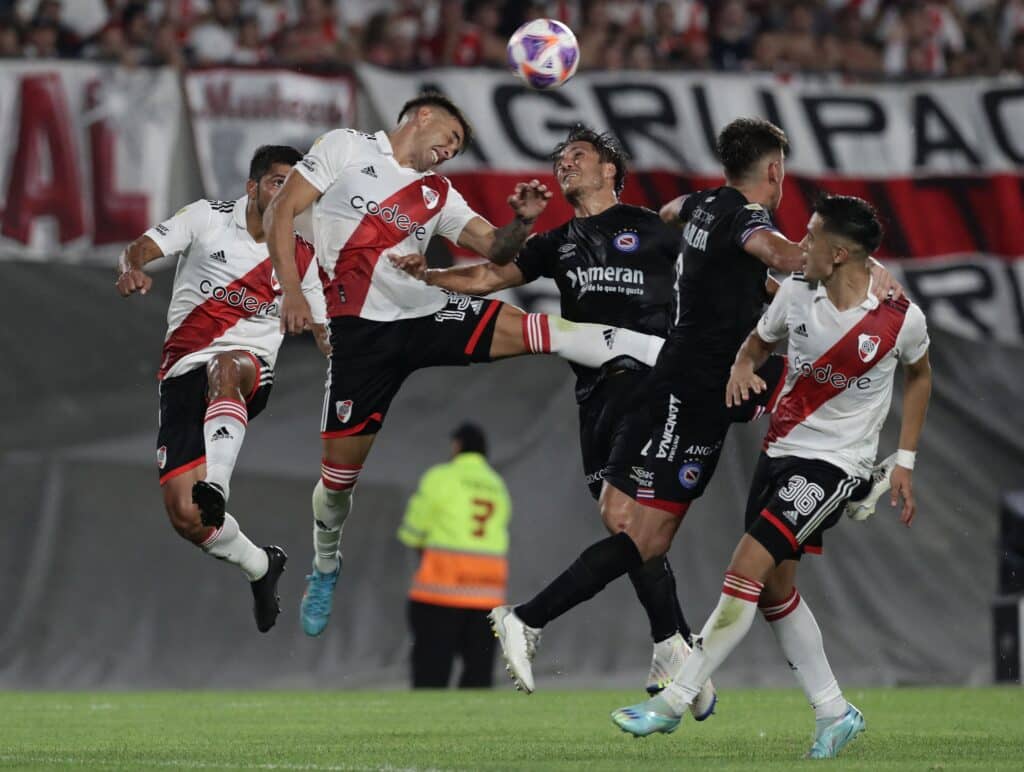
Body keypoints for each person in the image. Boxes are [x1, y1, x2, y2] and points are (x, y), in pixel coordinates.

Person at [488, 118, 902, 695]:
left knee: (819, 385)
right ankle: (530, 618)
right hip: (697, 388)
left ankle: (852, 485)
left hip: (707, 373)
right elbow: (782, 256)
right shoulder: (744, 216)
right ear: (775, 171)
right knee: (639, 538)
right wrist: (858, 261)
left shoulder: (701, 205)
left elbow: (673, 212)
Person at [389, 124, 779, 710]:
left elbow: (735, 269)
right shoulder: (558, 243)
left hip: (654, 381)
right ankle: (670, 642)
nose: (565, 163)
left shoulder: (656, 228)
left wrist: (785, 308)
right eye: (560, 158)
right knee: (624, 522)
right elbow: (490, 277)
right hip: (593, 394)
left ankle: (532, 619)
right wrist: (431, 277)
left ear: (609, 172)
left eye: (579, 155)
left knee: (631, 519)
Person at [262, 92, 666, 637]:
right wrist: (293, 294)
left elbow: (498, 251)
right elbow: (281, 209)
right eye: (449, 138)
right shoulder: (344, 149)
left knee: (541, 333)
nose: (449, 152)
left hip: (426, 313)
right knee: (337, 485)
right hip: (362, 339)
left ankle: (666, 353)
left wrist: (521, 222)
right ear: (423, 116)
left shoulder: (440, 194)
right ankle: (326, 563)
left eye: (456, 149)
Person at [612, 194, 932, 761]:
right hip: (781, 453)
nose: (797, 247)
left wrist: (902, 461)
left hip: (836, 465)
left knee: (747, 567)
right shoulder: (795, 294)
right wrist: (741, 368)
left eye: (809, 238)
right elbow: (758, 344)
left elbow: (920, 374)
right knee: (776, 591)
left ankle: (674, 701)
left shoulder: (897, 318)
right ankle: (834, 710)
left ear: (837, 253)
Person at [116, 145, 328, 633]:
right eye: (277, 183)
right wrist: (131, 267)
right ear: (252, 187)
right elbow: (141, 248)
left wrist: (329, 338)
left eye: (294, 188)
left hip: (246, 370)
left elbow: (323, 325)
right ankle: (260, 565)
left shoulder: (301, 253)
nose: (286, 195)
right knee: (187, 518)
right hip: (180, 377)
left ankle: (221, 484)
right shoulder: (206, 218)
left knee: (226, 365)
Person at [397, 423, 512, 689]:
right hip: (487, 595)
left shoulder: (441, 477)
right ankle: (472, 730)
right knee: (478, 678)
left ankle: (428, 729)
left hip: (441, 590)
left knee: (431, 676)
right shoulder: (497, 485)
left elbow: (413, 531)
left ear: (457, 445)